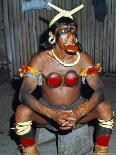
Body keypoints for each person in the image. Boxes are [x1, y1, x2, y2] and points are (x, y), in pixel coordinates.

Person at [14, 2, 114, 155]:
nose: (70, 36)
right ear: (51, 35)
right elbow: (24, 94)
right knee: (21, 111)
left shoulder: (83, 59)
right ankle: (30, 151)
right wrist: (51, 113)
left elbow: (100, 91)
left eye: (73, 31)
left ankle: (101, 151)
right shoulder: (40, 59)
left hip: (77, 111)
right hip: (47, 114)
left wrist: (79, 111)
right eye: (64, 31)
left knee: (106, 108)